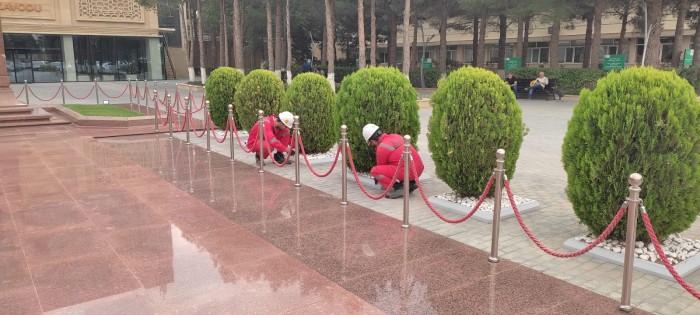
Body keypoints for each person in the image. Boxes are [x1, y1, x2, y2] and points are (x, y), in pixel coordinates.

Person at [363, 124, 425, 199]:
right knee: (398, 163)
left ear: (372, 140)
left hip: (409, 172)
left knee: (375, 171)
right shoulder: (395, 136)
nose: (372, 145)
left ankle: (398, 188)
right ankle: (410, 183)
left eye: (371, 143)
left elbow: (380, 166)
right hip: (419, 168)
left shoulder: (382, 147)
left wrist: (378, 179)